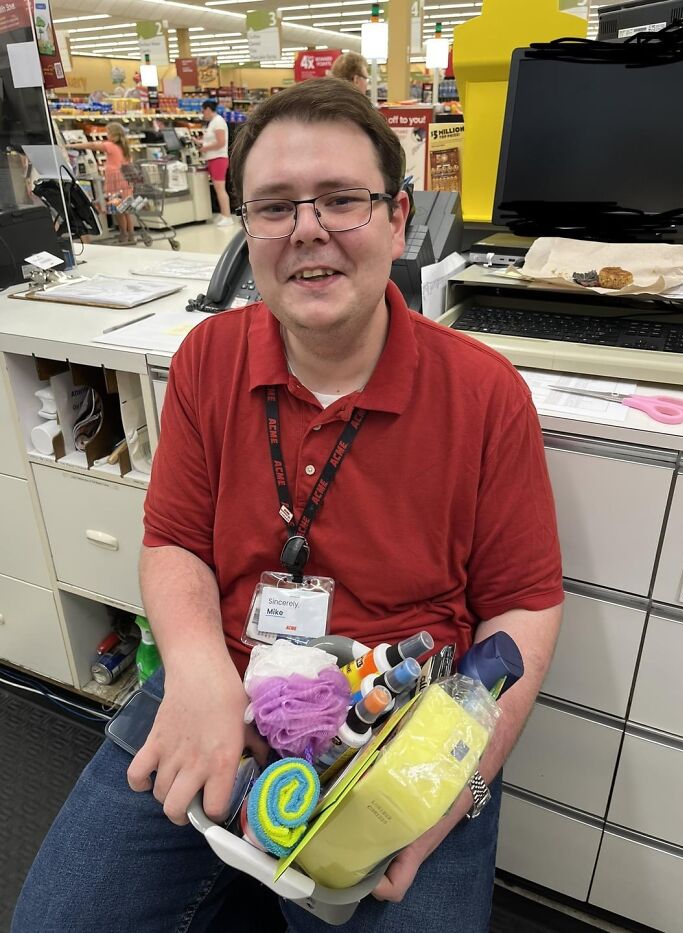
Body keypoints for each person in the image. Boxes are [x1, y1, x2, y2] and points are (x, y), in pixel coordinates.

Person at [12, 77, 563, 933]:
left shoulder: (485, 395)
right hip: (220, 677)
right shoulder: (207, 359)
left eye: (342, 198)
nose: (307, 228)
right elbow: (173, 542)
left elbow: (525, 605)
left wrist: (467, 775)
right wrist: (195, 673)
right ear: (247, 229)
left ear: (398, 216)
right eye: (273, 206)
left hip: (397, 730)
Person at [69, 121, 136, 244]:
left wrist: (73, 146)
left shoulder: (110, 145)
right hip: (125, 182)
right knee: (126, 210)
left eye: (108, 132)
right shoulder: (124, 147)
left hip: (115, 182)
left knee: (118, 211)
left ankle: (123, 236)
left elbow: (93, 145)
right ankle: (131, 235)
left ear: (113, 134)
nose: (107, 135)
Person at [199, 98, 233, 227]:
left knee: (220, 189)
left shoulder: (218, 122)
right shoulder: (213, 122)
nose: (203, 114)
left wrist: (205, 148)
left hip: (218, 159)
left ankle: (227, 216)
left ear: (208, 109)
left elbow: (221, 142)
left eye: (203, 111)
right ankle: (224, 213)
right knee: (218, 188)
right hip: (213, 159)